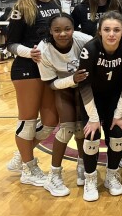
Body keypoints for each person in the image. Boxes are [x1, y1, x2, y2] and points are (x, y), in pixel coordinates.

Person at [5, 0, 61, 186]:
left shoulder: (55, 4)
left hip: (48, 69)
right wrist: (30, 52)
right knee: (28, 121)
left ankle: (23, 149)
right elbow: (10, 44)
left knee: (50, 121)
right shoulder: (22, 6)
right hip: (27, 69)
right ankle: (28, 168)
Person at [78, 11, 122, 201]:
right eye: (107, 29)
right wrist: (94, 118)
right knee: (91, 135)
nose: (112, 34)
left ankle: (112, 174)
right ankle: (90, 178)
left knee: (118, 134)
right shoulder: (90, 49)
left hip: (115, 98)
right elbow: (84, 85)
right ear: (99, 31)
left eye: (116, 30)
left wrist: (118, 114)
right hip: (92, 98)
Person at [36, 13, 92, 196]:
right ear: (50, 31)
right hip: (63, 86)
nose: (63, 34)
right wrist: (72, 79)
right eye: (57, 30)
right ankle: (54, 174)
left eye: (67, 29)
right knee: (67, 128)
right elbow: (51, 83)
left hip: (84, 86)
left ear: (73, 29)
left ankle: (82, 165)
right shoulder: (44, 50)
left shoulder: (84, 40)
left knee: (82, 128)